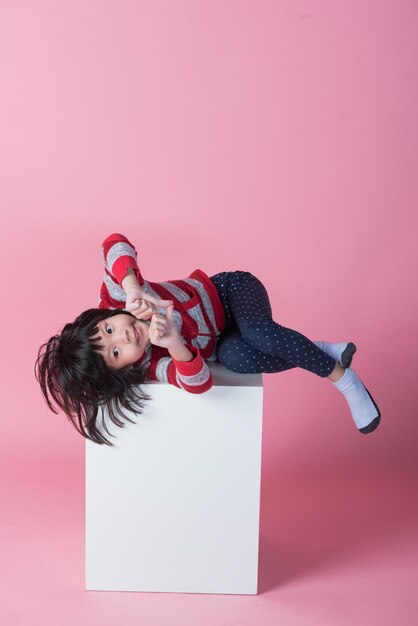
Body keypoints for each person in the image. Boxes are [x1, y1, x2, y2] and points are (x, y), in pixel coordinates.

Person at [35, 233, 381, 446]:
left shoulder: (118, 300)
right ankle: (320, 350)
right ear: (121, 370)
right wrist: (173, 343)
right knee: (235, 360)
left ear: (103, 316)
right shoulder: (149, 363)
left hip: (230, 291)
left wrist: (131, 286)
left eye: (109, 330)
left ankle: (342, 378)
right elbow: (199, 384)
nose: (124, 335)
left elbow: (113, 244)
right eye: (115, 351)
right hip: (223, 341)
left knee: (259, 333)